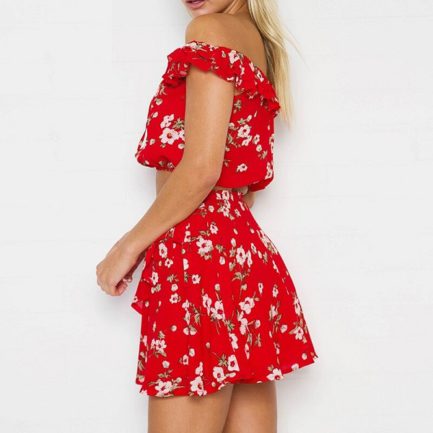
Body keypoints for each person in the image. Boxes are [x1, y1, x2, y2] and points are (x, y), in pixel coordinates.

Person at [96, 0, 318, 432]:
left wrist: (126, 248)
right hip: (245, 260)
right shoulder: (258, 44)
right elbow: (243, 189)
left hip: (197, 263)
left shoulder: (211, 31)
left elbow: (201, 168)